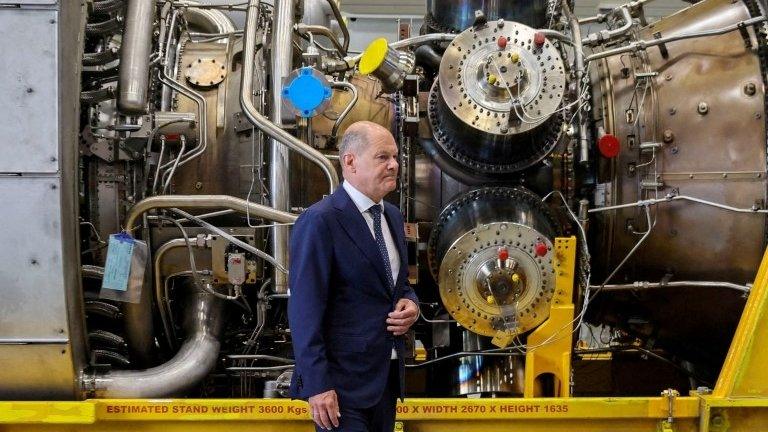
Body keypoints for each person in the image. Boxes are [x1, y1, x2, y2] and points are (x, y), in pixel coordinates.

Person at [288, 121, 420, 432]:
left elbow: (397, 286)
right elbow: (304, 310)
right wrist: (317, 385)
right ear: (350, 161)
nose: (394, 165)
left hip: (384, 382)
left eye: (395, 157)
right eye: (382, 157)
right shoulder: (320, 221)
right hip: (340, 388)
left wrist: (411, 305)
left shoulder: (392, 216)